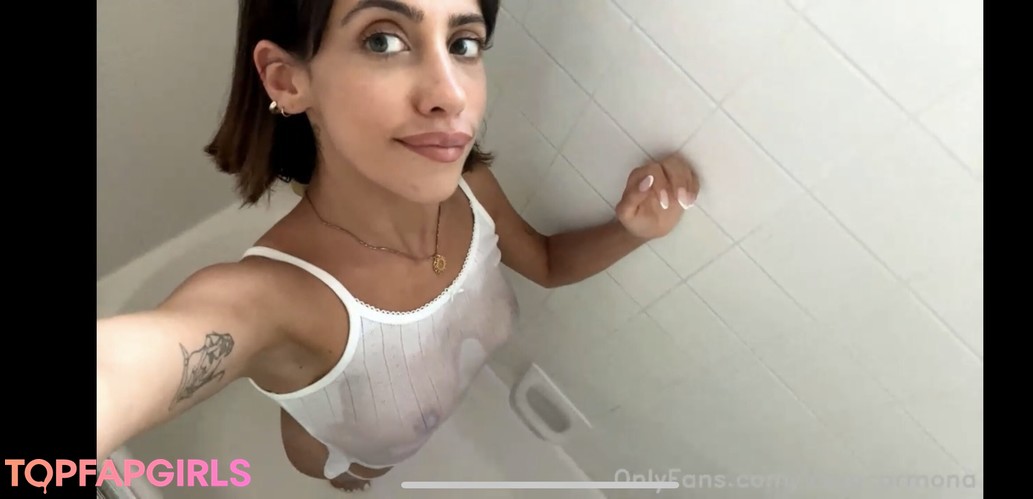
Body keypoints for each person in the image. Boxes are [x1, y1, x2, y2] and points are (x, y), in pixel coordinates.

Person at [96, 0, 700, 492]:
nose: (451, 94)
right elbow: (123, 370)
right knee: (357, 475)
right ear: (288, 79)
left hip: (406, 422)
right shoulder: (272, 298)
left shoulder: (471, 187)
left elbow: (544, 262)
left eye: (463, 43)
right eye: (383, 40)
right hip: (335, 453)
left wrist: (630, 231)